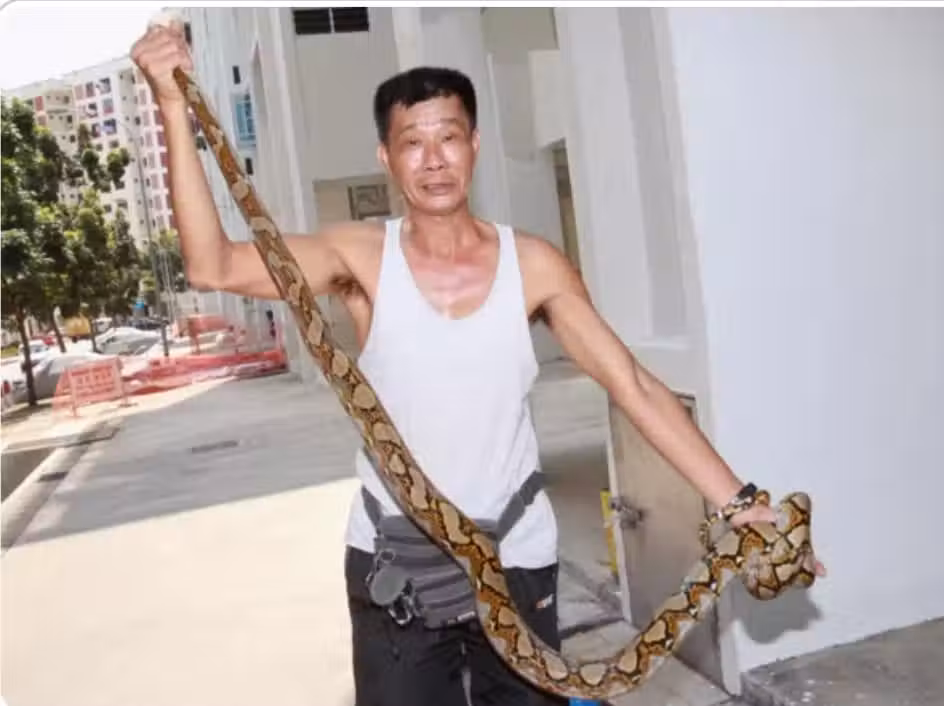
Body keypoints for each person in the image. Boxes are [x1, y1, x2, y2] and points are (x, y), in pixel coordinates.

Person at [131, 22, 825, 706]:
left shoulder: (534, 265)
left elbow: (634, 386)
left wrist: (739, 503)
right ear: (386, 157)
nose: (434, 160)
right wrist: (171, 104)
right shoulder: (360, 258)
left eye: (450, 137)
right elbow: (213, 264)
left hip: (517, 555)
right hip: (395, 559)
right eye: (413, 143)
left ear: (476, 145)